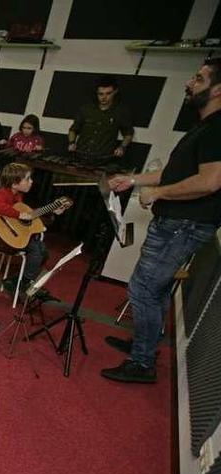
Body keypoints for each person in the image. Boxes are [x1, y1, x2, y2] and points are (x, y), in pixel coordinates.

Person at [101, 58, 221, 384]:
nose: (189, 83)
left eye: (198, 78)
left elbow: (210, 181)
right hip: (179, 224)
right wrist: (134, 180)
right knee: (157, 290)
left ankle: (142, 363)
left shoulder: (217, 128)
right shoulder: (203, 127)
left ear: (217, 89)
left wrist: (160, 193)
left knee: (142, 289)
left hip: (183, 225)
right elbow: (174, 172)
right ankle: (144, 344)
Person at [0, 163, 67, 302]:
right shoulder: (3, 193)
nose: (31, 181)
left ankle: (19, 281)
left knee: (43, 251)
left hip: (12, 235)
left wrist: (51, 211)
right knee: (37, 250)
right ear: (14, 183)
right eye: (28, 179)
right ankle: (21, 283)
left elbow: (29, 216)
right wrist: (18, 215)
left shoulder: (18, 196)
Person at [68, 76, 134, 158]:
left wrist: (122, 147)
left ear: (115, 92)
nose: (104, 97)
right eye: (101, 94)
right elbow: (73, 130)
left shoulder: (121, 112)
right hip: (80, 154)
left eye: (108, 93)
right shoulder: (86, 109)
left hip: (103, 157)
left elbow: (128, 133)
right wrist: (72, 143)